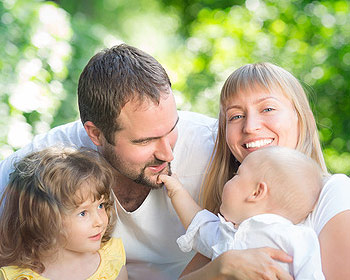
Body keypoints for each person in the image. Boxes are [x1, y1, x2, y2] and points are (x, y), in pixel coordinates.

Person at [0, 45, 294, 280]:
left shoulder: (216, 147)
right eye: (144, 141)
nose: (168, 153)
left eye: (171, 129)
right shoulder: (40, 170)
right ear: (96, 133)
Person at [181, 62, 350, 280]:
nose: (250, 126)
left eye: (268, 109)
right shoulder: (233, 213)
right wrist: (220, 268)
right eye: (235, 116)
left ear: (303, 119)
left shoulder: (333, 194)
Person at [159, 146, 325, 279]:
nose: (229, 179)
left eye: (237, 175)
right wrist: (177, 191)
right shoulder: (227, 233)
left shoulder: (296, 237)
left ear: (256, 192)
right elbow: (199, 224)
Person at [0, 147, 127, 280]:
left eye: (100, 205)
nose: (100, 221)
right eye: (83, 213)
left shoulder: (112, 259)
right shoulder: (19, 277)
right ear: (44, 218)